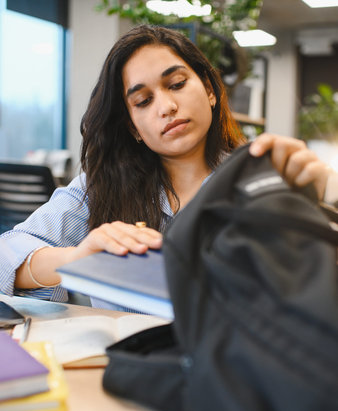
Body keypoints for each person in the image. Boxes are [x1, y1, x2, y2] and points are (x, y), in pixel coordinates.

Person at [0, 25, 337, 308]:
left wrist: (319, 196)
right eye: (143, 101)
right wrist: (76, 260)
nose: (167, 106)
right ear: (133, 126)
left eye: (176, 84)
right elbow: (7, 253)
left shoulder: (262, 181)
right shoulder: (100, 186)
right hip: (122, 370)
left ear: (209, 90)